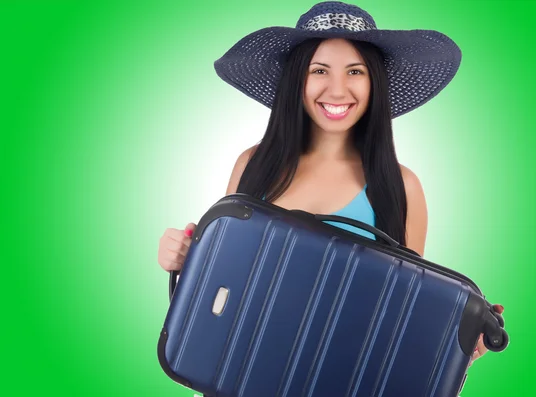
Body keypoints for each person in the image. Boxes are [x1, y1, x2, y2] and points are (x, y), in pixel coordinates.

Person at [158, 0, 503, 369]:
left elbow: (402, 317)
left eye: (355, 71)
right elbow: (221, 286)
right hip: (240, 372)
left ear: (375, 82)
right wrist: (182, 260)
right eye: (319, 70)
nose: (337, 90)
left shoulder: (402, 187)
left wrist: (461, 342)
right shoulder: (252, 165)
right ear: (297, 79)